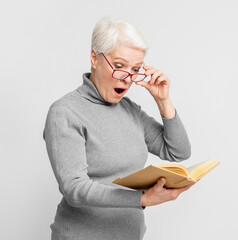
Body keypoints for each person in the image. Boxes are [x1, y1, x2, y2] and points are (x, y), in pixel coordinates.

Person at [43, 17, 193, 240]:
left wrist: (163, 100)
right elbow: (74, 189)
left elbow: (178, 151)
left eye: (135, 69)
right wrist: (141, 199)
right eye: (120, 66)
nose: (127, 78)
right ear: (95, 58)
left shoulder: (130, 110)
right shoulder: (65, 112)